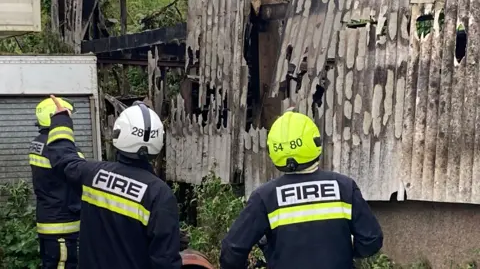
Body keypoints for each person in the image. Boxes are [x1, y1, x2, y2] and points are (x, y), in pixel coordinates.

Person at [219, 109, 383, 269]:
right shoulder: (344, 187)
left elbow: (232, 251)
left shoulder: (265, 197)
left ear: (274, 150)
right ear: (315, 142)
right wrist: (345, 251)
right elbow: (371, 240)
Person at [46, 95, 182, 269]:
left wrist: (61, 119)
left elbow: (63, 158)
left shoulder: (92, 175)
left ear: (119, 133)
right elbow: (166, 262)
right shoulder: (159, 194)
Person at [30, 97, 84, 269]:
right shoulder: (57, 149)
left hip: (48, 220)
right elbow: (80, 173)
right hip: (62, 227)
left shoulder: (38, 143)